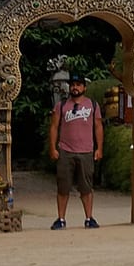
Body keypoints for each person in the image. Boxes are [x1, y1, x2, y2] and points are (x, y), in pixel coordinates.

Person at [48, 75, 104, 228]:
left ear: (84, 87)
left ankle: (89, 218)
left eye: (79, 85)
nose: (75, 88)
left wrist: (99, 148)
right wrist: (52, 148)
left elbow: (98, 127)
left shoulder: (92, 105)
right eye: (73, 85)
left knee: (86, 186)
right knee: (63, 186)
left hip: (86, 151)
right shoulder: (61, 106)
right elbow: (54, 127)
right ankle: (60, 219)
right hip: (65, 150)